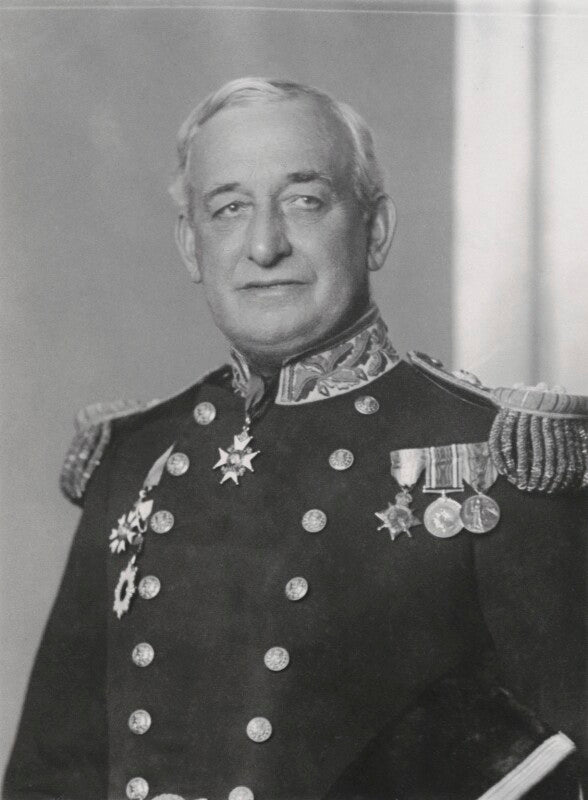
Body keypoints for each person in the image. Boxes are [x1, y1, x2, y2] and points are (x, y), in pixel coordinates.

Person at [4, 77, 587, 800]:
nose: (264, 245)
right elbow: (49, 777)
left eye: (304, 200)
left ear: (375, 229)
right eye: (229, 208)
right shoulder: (136, 456)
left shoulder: (496, 453)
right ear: (190, 246)